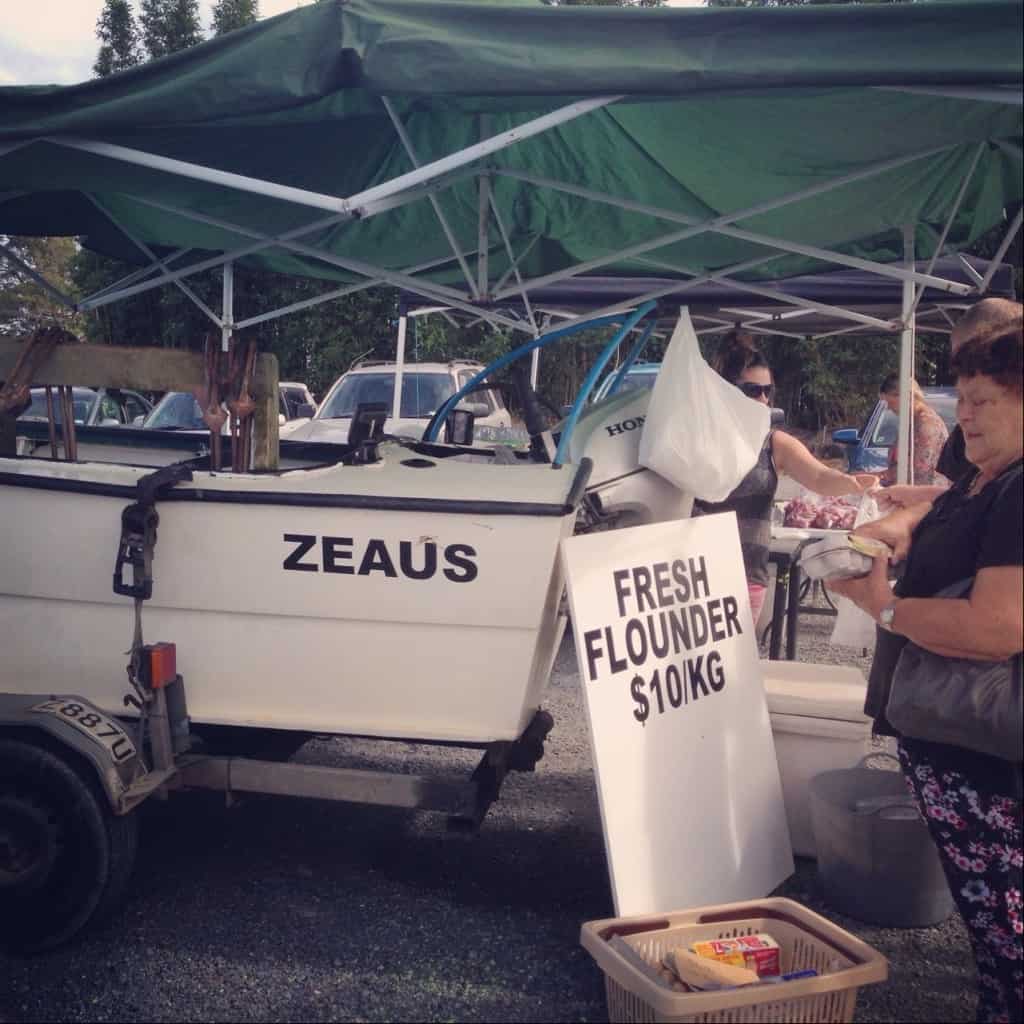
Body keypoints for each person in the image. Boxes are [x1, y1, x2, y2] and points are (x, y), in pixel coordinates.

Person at [829, 326, 1023, 1024]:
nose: (964, 414)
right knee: (996, 941)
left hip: (992, 760)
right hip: (958, 749)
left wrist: (886, 610)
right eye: (963, 398)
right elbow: (943, 508)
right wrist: (895, 529)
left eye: (986, 400)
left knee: (1011, 933)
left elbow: (997, 630)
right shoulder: (988, 475)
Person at [692, 332, 878, 626]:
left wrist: (854, 484)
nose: (764, 399)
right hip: (693, 580)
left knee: (739, 668)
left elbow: (818, 476)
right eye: (752, 389)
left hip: (747, 577)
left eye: (768, 390)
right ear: (726, 390)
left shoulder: (773, 442)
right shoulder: (698, 439)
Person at [882, 298, 1023, 508]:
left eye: (979, 400)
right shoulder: (981, 465)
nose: (963, 414)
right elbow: (963, 500)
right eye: (961, 399)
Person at [876, 373, 949, 487]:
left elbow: (918, 473)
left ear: (906, 396)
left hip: (924, 497)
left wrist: (881, 482)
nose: (888, 408)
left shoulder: (927, 424)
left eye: (890, 402)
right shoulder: (911, 421)